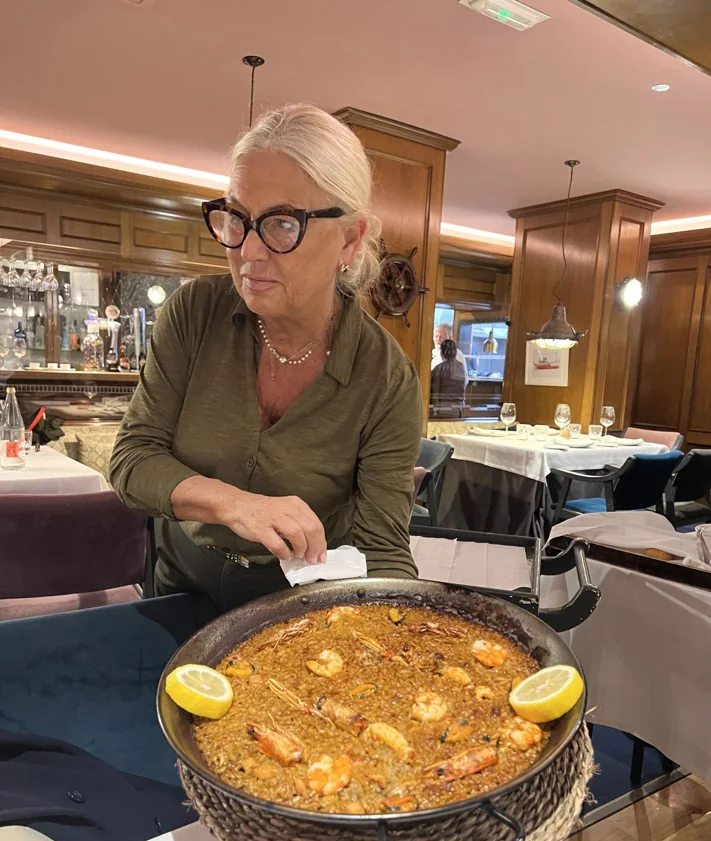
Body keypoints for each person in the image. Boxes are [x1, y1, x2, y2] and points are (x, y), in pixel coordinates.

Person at [110, 104, 422, 616]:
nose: (248, 252)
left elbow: (382, 548)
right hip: (183, 583)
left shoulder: (385, 378)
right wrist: (234, 503)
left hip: (300, 607)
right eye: (237, 218)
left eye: (281, 223)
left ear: (351, 238)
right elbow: (132, 461)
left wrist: (398, 636)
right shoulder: (195, 313)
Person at [430, 339, 467, 409]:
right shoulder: (461, 367)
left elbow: (434, 393)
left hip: (441, 410)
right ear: (456, 352)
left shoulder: (439, 368)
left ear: (441, 352)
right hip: (458, 410)